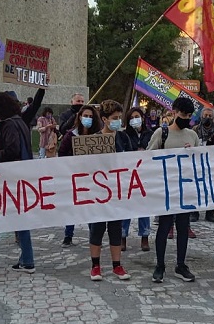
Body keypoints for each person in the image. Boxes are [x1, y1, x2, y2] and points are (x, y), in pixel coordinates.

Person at [0, 92, 36, 273]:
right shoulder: (18, 121)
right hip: (18, 175)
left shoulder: (8, 124)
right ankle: (26, 259)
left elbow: (12, 150)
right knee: (18, 217)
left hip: (6, 176)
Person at [148, 97, 200, 283]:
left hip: (185, 188)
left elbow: (200, 161)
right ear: (174, 112)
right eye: (182, 114)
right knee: (164, 227)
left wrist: (193, 151)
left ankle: (181, 264)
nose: (185, 118)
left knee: (183, 227)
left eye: (188, 115)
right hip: (166, 189)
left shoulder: (192, 136)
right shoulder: (161, 133)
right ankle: (160, 265)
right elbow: (149, 157)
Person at [87, 100, 133, 281]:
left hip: (117, 192)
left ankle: (117, 265)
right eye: (114, 118)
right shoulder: (94, 140)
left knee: (116, 229)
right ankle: (95, 266)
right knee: (96, 229)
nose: (118, 122)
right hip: (98, 192)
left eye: (120, 118)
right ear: (104, 119)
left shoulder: (123, 138)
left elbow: (131, 161)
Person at [58, 104, 101, 246]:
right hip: (74, 176)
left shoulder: (98, 136)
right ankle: (68, 235)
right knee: (72, 206)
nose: (88, 119)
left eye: (90, 116)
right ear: (80, 117)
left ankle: (93, 235)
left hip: (92, 178)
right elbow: (62, 153)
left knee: (91, 206)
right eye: (85, 116)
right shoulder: (71, 135)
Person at [122, 107, 152, 251]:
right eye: (132, 117)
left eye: (137, 116)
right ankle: (122, 237)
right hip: (128, 175)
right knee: (126, 207)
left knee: (144, 207)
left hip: (145, 175)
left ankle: (144, 236)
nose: (135, 119)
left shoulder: (150, 133)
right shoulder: (123, 135)